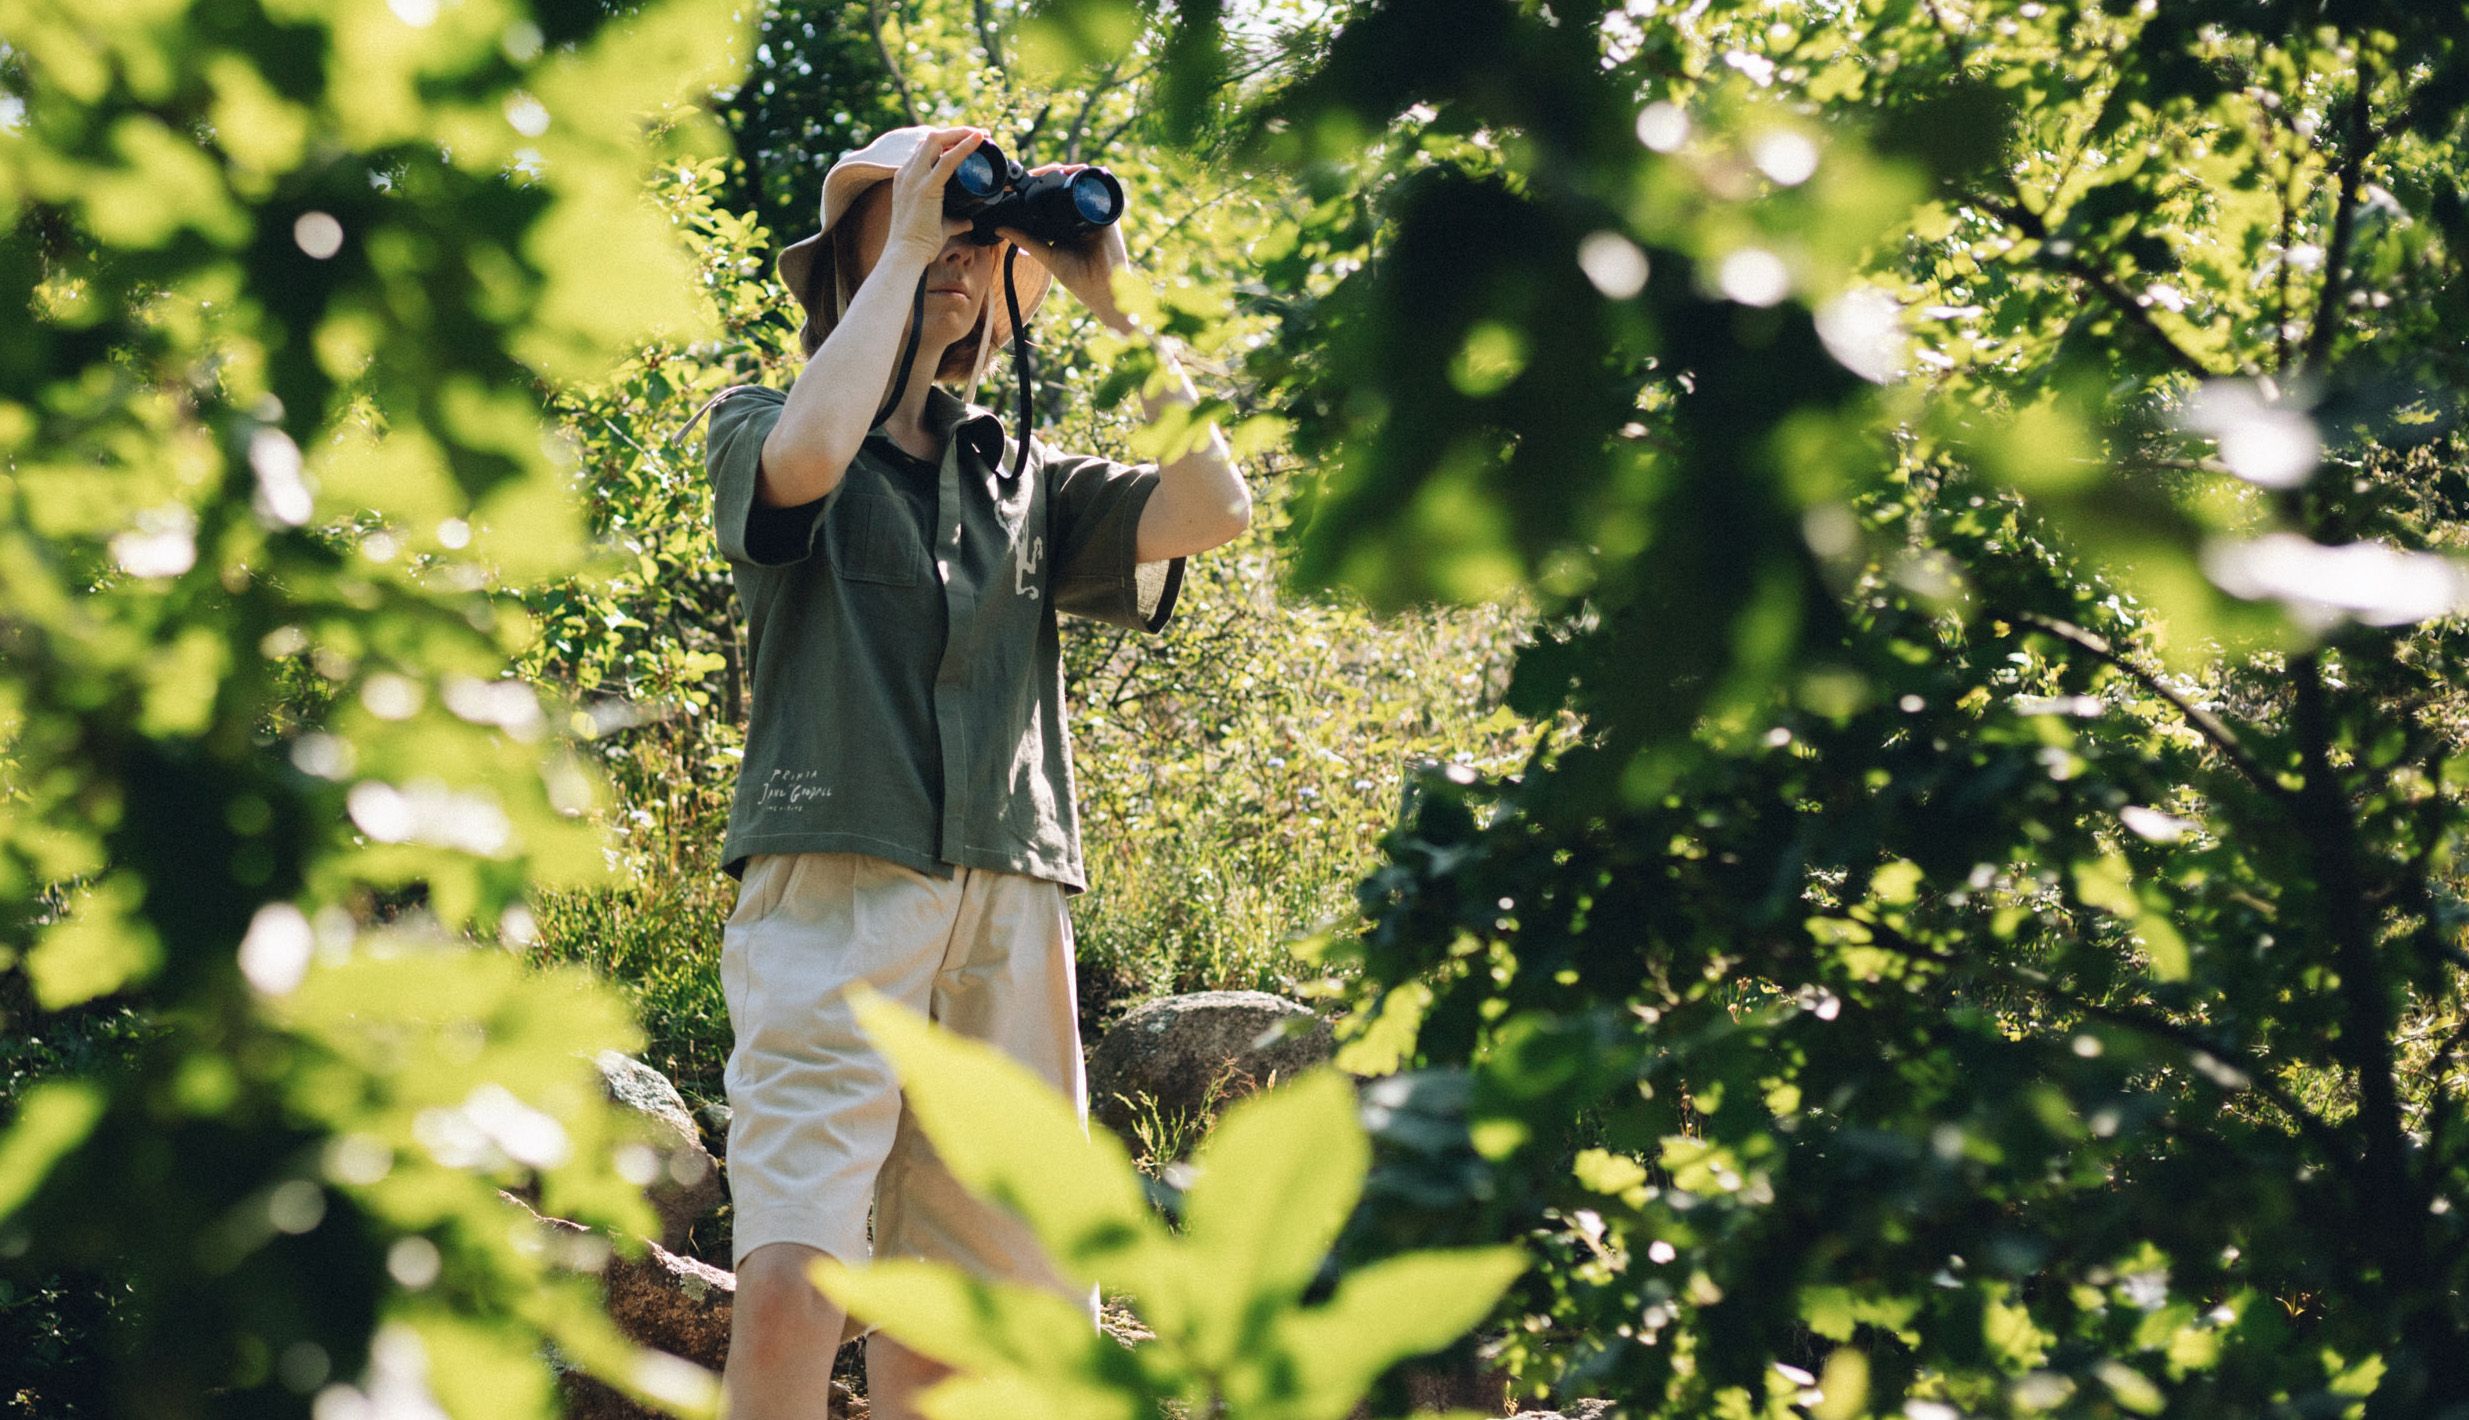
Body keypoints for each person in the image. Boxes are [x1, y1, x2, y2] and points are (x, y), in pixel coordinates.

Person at [700, 125, 1250, 1420]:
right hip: (836, 877)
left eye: (977, 234)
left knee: (985, 1337)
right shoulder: (759, 420)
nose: (957, 250)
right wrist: (905, 244)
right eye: (929, 220)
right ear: (852, 252)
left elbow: (1215, 508)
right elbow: (804, 468)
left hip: (1010, 897)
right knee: (794, 1283)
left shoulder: (1022, 476)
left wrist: (1122, 303)